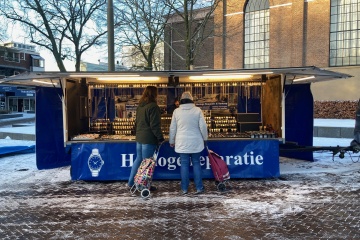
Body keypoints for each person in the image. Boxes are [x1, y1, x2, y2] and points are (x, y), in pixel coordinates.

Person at [169, 91, 208, 195]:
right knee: (196, 164)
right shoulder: (197, 110)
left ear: (181, 100)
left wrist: (171, 141)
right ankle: (199, 187)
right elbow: (203, 126)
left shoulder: (177, 111)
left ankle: (184, 189)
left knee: (184, 165)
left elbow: (173, 128)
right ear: (192, 100)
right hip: (196, 142)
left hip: (182, 142)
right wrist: (205, 138)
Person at [127, 86, 164, 190]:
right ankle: (144, 186)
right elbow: (154, 125)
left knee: (138, 160)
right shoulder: (153, 107)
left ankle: (131, 183)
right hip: (148, 139)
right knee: (147, 164)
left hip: (139, 138)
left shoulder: (140, 106)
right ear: (154, 94)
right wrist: (160, 138)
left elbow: (136, 123)